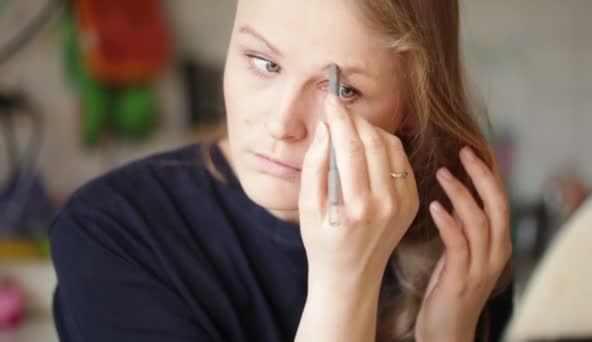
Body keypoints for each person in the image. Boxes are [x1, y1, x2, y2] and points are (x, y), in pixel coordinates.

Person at [50, 0, 514, 341]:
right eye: (264, 63)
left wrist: (448, 334)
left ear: (411, 109)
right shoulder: (108, 232)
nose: (281, 124)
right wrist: (343, 283)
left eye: (343, 90)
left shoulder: (457, 252)